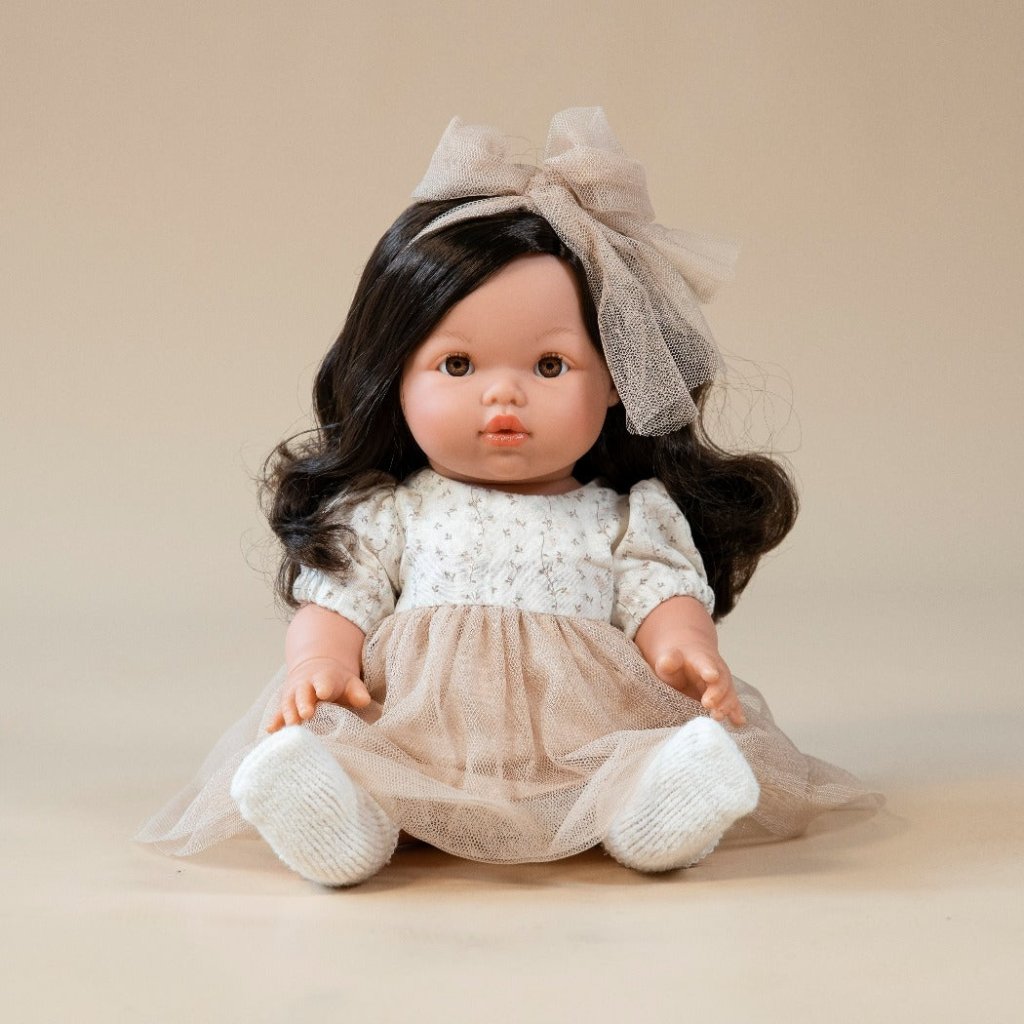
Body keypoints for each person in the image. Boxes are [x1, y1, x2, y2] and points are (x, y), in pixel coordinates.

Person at [135, 108, 878, 886]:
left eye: (550, 367)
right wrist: (319, 661)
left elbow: (659, 594)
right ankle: (341, 819)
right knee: (360, 756)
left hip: (582, 733)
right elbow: (342, 598)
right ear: (394, 375)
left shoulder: (626, 515)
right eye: (457, 366)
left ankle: (653, 812)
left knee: (636, 760)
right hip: (419, 733)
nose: (503, 396)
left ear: (618, 381)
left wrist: (684, 647)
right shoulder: (390, 511)